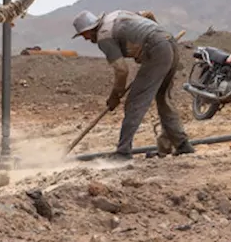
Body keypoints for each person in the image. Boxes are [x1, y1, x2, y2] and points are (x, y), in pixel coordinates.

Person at [72, 9, 194, 160]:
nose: (85, 39)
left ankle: (123, 152)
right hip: (169, 42)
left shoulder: (104, 36)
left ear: (90, 30)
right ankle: (183, 145)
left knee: (135, 102)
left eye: (84, 35)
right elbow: (147, 15)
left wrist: (115, 96)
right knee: (163, 99)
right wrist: (155, 39)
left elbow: (121, 70)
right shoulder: (116, 15)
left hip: (157, 49)